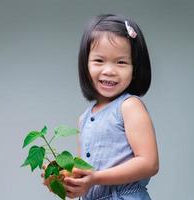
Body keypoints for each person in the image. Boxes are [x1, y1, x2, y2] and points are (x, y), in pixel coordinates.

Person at [43, 13, 159, 200]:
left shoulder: (129, 107)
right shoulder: (83, 119)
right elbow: (86, 177)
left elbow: (149, 163)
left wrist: (95, 178)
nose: (109, 70)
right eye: (99, 60)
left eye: (121, 62)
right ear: (85, 64)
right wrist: (66, 181)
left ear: (135, 68)